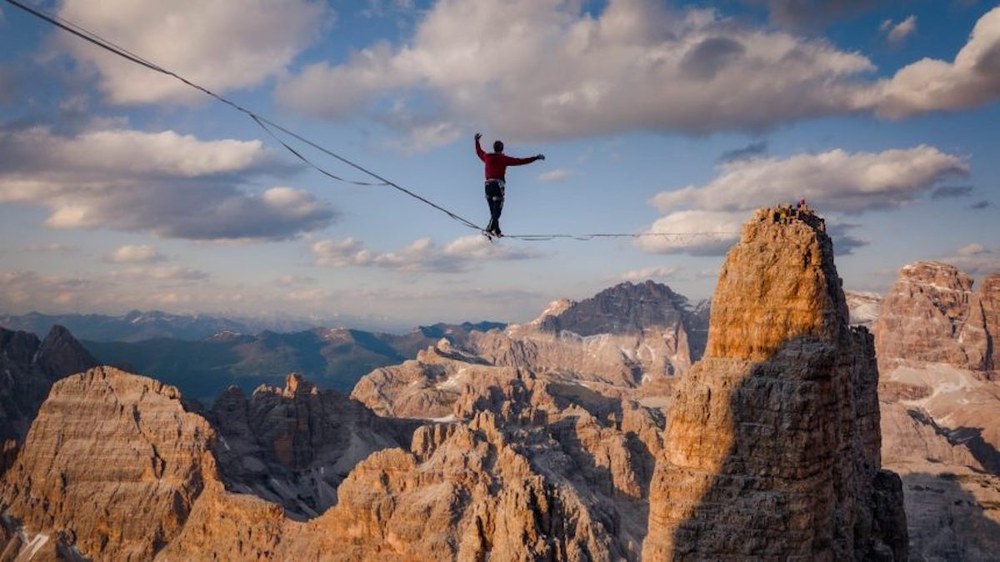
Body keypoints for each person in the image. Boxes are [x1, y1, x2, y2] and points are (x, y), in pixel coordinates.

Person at [474, 133, 544, 238]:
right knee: (497, 212)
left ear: (494, 148)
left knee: (493, 211)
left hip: (488, 186)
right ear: (502, 149)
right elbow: (520, 161)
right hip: (498, 186)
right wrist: (535, 158)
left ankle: (496, 230)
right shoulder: (504, 159)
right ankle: (489, 229)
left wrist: (476, 141)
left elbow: (479, 152)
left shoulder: (487, 157)